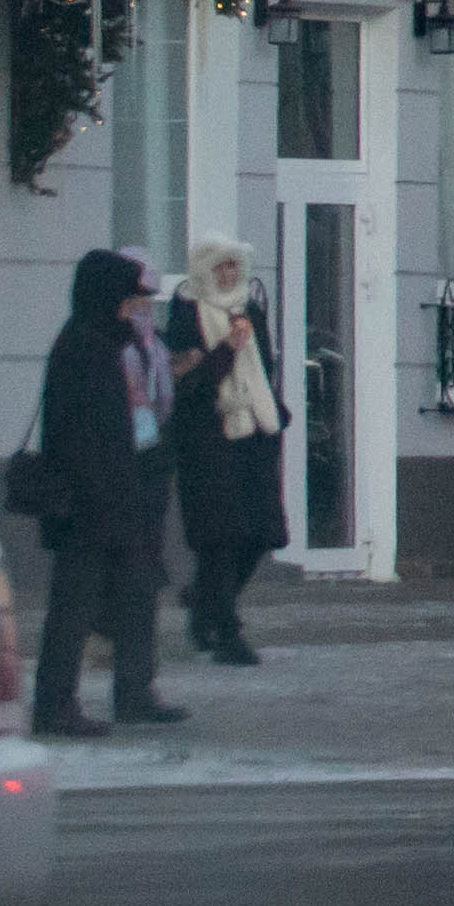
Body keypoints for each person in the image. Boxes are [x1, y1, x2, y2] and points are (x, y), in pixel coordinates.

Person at [28, 244, 184, 734]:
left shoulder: (114, 342)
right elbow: (81, 433)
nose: (134, 305)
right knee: (73, 608)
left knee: (138, 595)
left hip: (126, 494)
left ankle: (135, 691)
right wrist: (106, 493)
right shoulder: (84, 345)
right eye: (128, 295)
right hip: (91, 503)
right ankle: (55, 705)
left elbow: (132, 421)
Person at [165, 237, 290, 666]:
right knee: (221, 540)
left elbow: (264, 371)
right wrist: (226, 350)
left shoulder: (250, 310)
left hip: (253, 439)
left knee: (260, 536)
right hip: (208, 444)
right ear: (203, 271)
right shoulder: (185, 314)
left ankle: (204, 605)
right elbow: (187, 385)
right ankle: (225, 631)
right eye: (220, 268)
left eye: (234, 268)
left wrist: (274, 416)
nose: (228, 276)